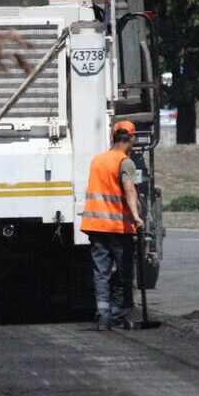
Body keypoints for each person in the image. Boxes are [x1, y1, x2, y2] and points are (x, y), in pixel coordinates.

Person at [80, 120, 145, 330]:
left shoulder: (97, 161)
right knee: (124, 272)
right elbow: (129, 190)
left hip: (96, 226)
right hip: (118, 228)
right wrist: (137, 217)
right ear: (131, 139)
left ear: (113, 137)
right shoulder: (125, 162)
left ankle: (103, 316)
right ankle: (117, 312)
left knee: (101, 273)